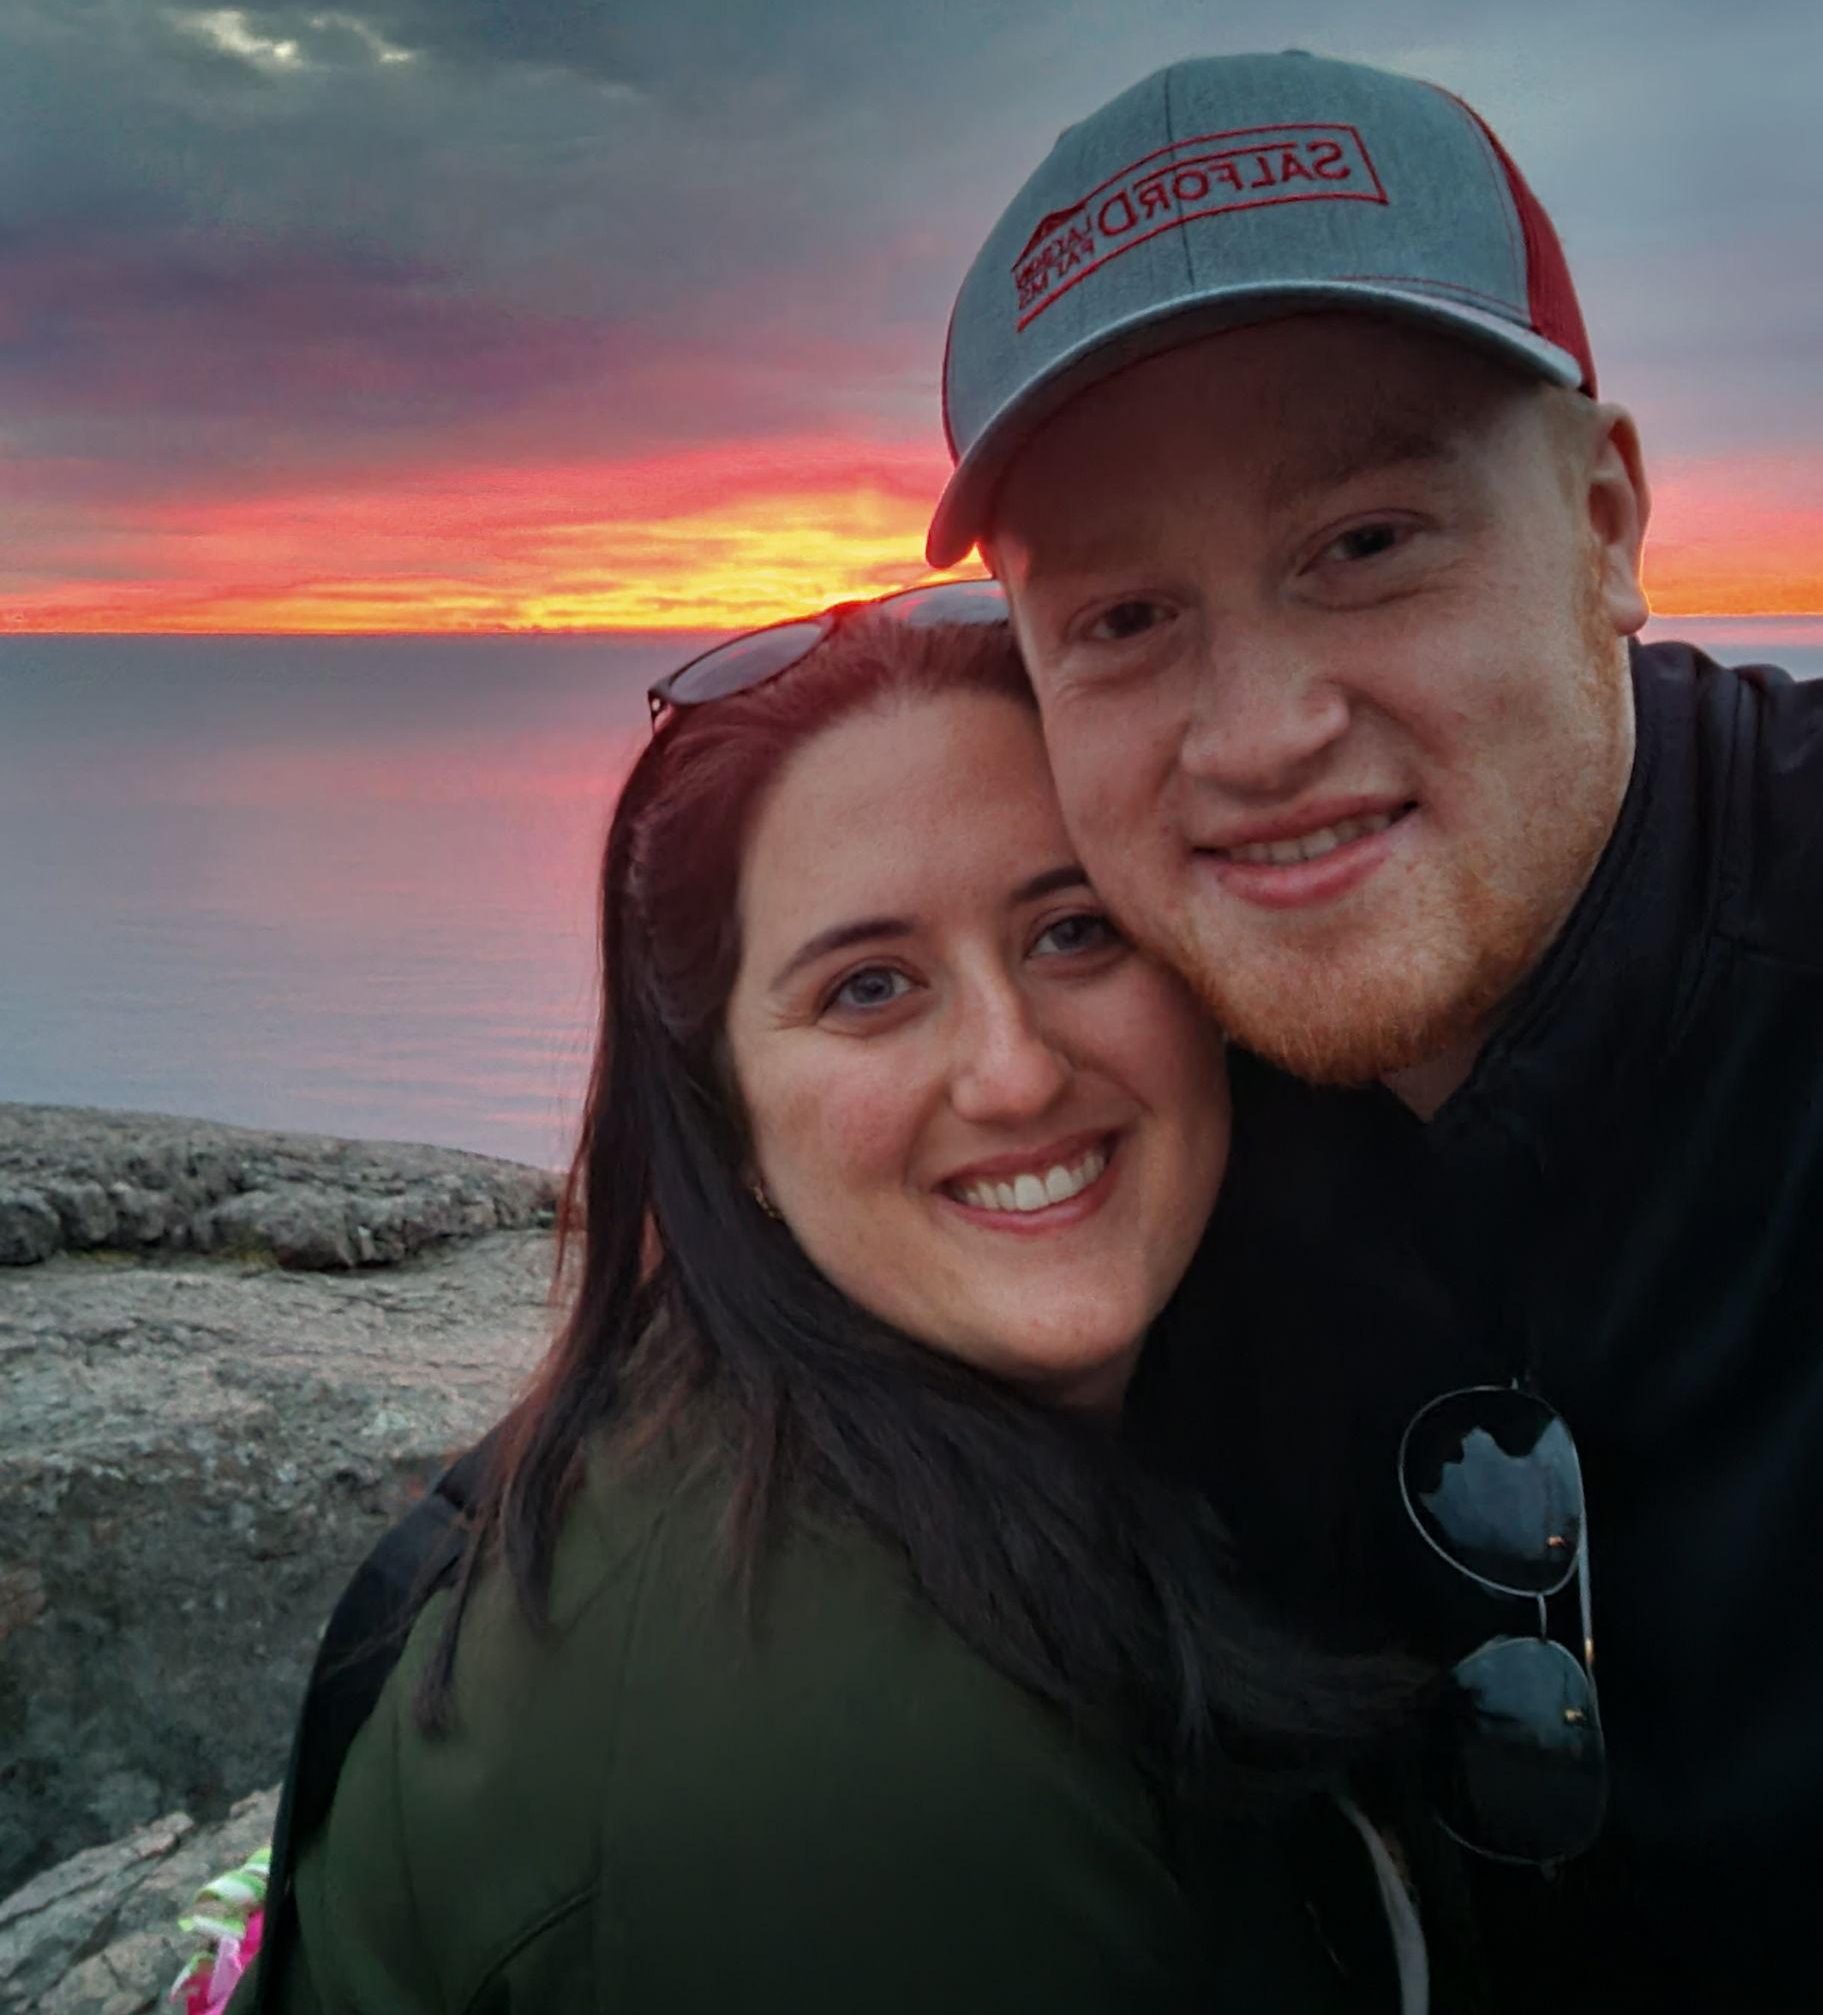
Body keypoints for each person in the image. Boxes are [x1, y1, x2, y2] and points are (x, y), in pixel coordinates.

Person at [926, 49, 1823, 2013]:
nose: (1260, 734)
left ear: (1605, 522)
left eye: (1365, 541)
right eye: (1123, 619)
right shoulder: (1094, 1098)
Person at [234, 592, 1435, 2013]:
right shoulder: (878, 1783)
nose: (1013, 1072)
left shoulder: (800, 1406)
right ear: (724, 1117)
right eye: (870, 988)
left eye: (1074, 930)